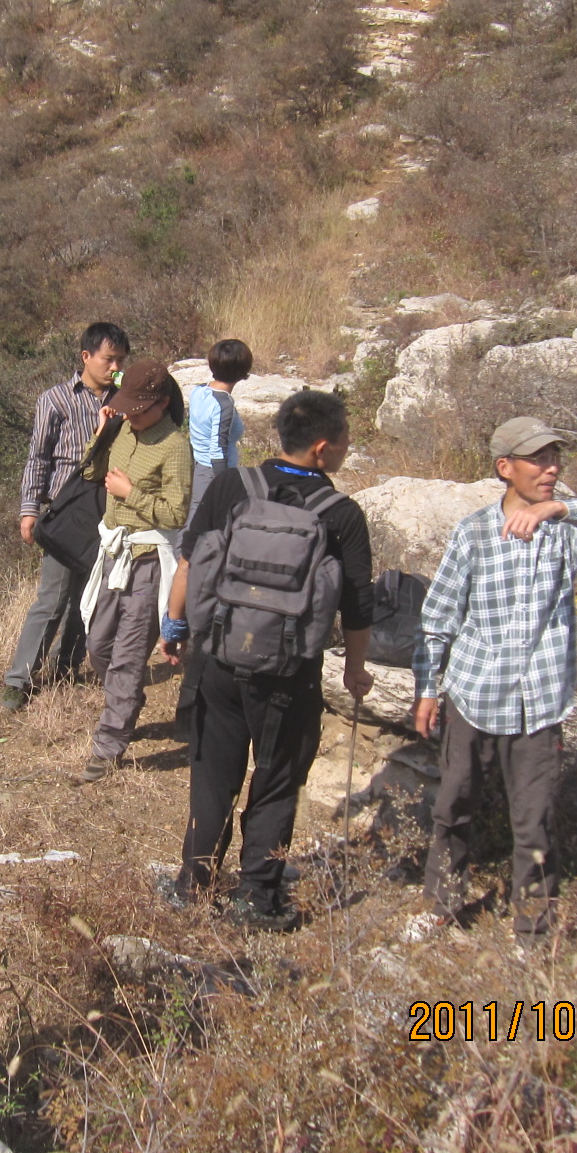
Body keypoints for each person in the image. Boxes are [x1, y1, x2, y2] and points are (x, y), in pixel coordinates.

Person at [409, 417, 577, 943]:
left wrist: (560, 508)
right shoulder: (474, 533)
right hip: (475, 694)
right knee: (453, 805)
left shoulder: (567, 531)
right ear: (505, 468)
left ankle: (533, 929)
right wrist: (427, 688)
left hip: (540, 701)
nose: (551, 469)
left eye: (555, 458)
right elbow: (439, 617)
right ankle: (441, 905)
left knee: (535, 820)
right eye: (538, 459)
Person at [163, 390, 374, 930]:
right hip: (289, 673)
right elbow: (357, 605)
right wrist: (355, 668)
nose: (346, 449)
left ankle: (194, 885)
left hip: (218, 657)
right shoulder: (341, 514)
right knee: (277, 778)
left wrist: (176, 625)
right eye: (344, 441)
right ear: (322, 449)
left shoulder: (233, 486)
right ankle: (257, 898)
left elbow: (190, 561)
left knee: (213, 774)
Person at [1, 322, 129, 712]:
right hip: (65, 513)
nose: (115, 368)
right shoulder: (55, 400)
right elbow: (39, 458)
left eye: (121, 361)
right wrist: (29, 510)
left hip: (109, 513)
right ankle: (18, 681)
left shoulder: (125, 400)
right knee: (52, 599)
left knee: (89, 598)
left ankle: (66, 667)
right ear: (86, 357)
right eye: (109, 359)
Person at [76, 358, 192, 782]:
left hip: (147, 562)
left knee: (127, 658)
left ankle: (108, 745)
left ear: (162, 404)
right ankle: (128, 701)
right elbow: (91, 472)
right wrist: (103, 432)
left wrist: (131, 493)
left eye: (139, 409)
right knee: (98, 646)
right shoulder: (123, 428)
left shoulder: (175, 447)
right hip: (113, 555)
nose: (132, 415)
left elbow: (176, 514)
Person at [185, 339, 250, 525]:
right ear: (243, 371)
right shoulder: (223, 404)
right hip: (213, 470)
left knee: (196, 512)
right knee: (204, 520)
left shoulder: (198, 391)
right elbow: (218, 449)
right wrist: (225, 483)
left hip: (198, 463)